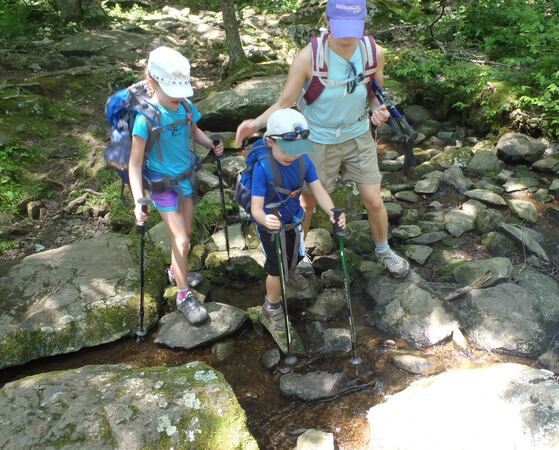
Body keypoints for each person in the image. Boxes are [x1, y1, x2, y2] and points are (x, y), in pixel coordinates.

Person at [236, 0, 410, 278]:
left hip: (357, 134)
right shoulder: (308, 58)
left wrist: (378, 110)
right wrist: (256, 124)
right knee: (307, 201)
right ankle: (301, 254)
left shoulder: (373, 52)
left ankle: (383, 250)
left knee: (373, 199)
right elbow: (286, 101)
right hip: (316, 138)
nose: (347, 35)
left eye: (354, 27)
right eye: (341, 27)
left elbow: (374, 92)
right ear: (328, 21)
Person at [129, 46, 224, 325]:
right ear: (154, 82)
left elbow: (192, 128)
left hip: (187, 178)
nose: (179, 96)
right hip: (162, 185)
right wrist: (138, 199)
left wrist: (210, 145)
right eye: (173, 90)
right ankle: (183, 295)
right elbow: (134, 164)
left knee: (185, 236)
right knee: (181, 240)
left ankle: (175, 269)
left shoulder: (184, 104)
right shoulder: (145, 119)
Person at [251, 108, 346, 330]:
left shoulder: (303, 162)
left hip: (294, 218)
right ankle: (272, 305)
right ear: (270, 142)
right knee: (275, 267)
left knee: (296, 252)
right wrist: (265, 220)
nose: (292, 156)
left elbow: (318, 190)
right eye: (287, 150)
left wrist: (332, 211)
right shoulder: (263, 168)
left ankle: (293, 271)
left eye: (297, 150)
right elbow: (256, 209)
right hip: (270, 224)